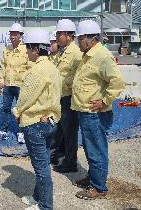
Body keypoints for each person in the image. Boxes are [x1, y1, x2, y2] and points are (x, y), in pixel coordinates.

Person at [71, 20, 125, 200]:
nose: (78, 42)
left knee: (97, 150)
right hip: (85, 111)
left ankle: (99, 188)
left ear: (91, 38)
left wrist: (104, 100)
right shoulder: (87, 55)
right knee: (89, 148)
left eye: (80, 39)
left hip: (95, 114)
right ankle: (94, 178)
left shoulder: (103, 56)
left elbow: (117, 83)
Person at [12, 29, 61, 210]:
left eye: (27, 48)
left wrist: (16, 112)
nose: (25, 52)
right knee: (43, 163)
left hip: (35, 124)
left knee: (41, 169)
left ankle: (45, 206)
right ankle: (36, 197)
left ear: (34, 49)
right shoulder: (52, 67)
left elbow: (26, 98)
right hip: (50, 121)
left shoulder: (37, 70)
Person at [50, 19, 83, 174]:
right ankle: (60, 154)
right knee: (60, 129)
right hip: (59, 96)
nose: (57, 36)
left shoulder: (75, 53)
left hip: (69, 97)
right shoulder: (60, 52)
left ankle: (71, 163)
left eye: (59, 34)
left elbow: (74, 77)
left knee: (70, 132)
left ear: (69, 36)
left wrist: (58, 83)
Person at [0, 23, 30, 144]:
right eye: (11, 34)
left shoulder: (25, 50)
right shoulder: (6, 50)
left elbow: (30, 67)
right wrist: (1, 80)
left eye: (15, 34)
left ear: (20, 36)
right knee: (6, 108)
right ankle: (3, 131)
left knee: (21, 109)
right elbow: (2, 66)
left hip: (21, 85)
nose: (12, 36)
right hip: (8, 84)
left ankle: (21, 132)